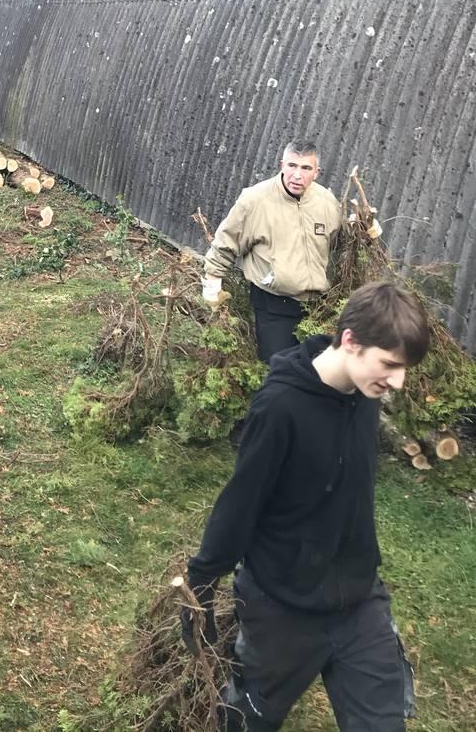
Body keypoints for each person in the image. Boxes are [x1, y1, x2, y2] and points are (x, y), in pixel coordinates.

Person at [182, 279, 430, 731]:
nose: (397, 381)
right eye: (390, 365)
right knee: (247, 722)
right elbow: (242, 500)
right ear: (351, 341)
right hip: (281, 607)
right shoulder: (281, 407)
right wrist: (201, 579)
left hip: (358, 600)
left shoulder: (364, 394)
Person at [202, 140, 342, 362]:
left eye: (306, 168)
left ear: (316, 172)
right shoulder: (255, 200)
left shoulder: (327, 203)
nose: (297, 175)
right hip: (274, 304)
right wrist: (212, 281)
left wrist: (363, 231)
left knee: (311, 370)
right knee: (278, 368)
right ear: (282, 165)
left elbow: (339, 242)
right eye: (292, 165)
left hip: (316, 306)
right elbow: (227, 240)